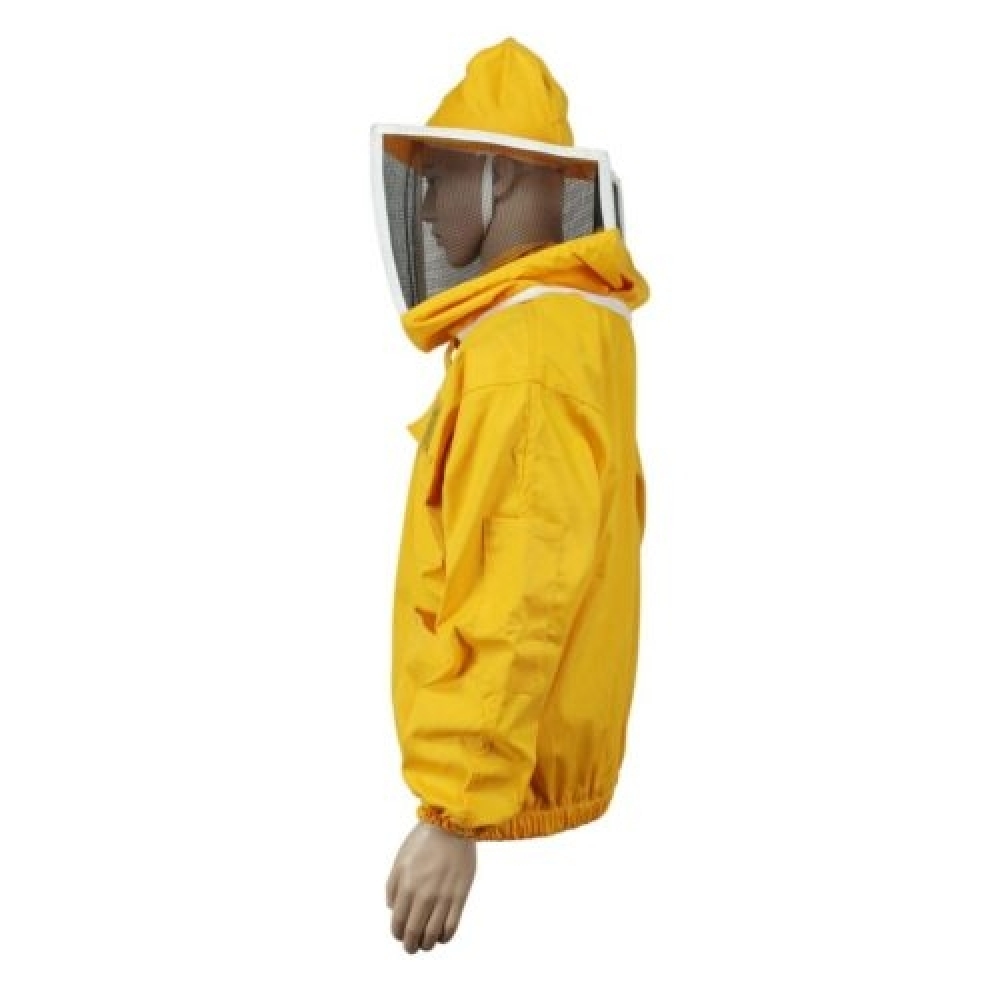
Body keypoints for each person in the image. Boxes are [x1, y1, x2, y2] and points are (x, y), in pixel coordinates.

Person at [372, 37, 650, 953]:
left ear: (509, 177)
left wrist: (454, 816)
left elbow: (521, 594)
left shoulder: (526, 358)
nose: (425, 203)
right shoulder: (568, 331)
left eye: (441, 176)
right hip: (528, 790)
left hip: (500, 824)